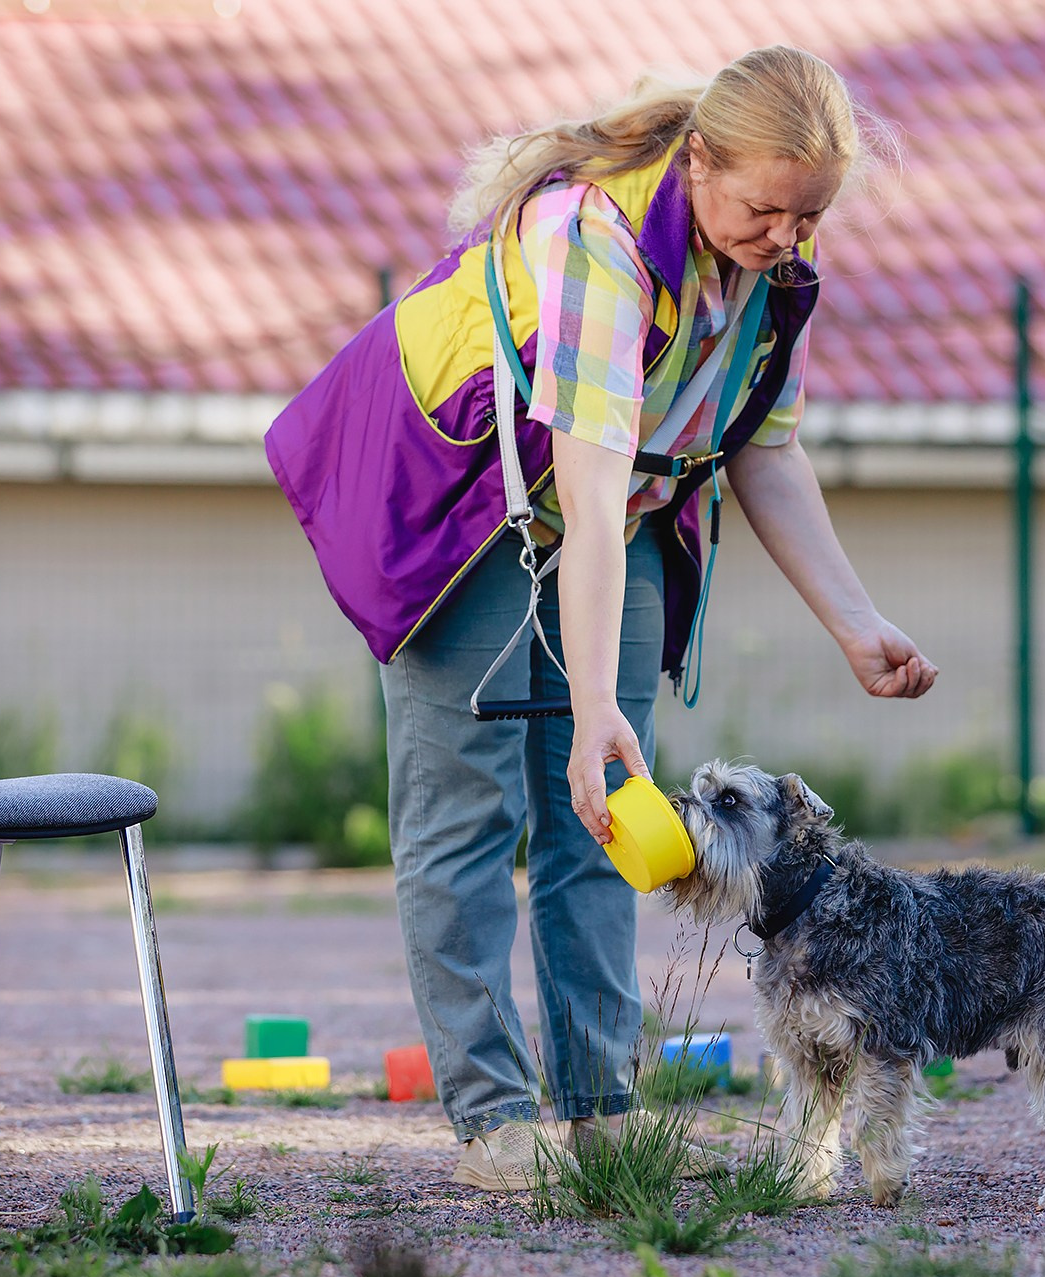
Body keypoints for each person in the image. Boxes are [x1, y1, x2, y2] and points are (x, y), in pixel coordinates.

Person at [264, 45, 936, 1188]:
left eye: (808, 215)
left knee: (606, 813)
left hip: (607, 509)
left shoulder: (772, 268)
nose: (786, 236)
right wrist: (587, 711)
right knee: (464, 817)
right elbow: (582, 481)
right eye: (764, 208)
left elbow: (762, 451)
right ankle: (491, 1118)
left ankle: (597, 1102)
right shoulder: (594, 242)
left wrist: (853, 622)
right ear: (699, 164)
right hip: (455, 495)